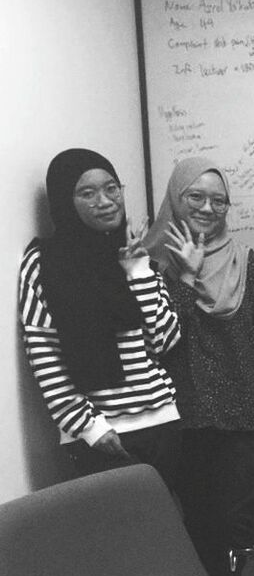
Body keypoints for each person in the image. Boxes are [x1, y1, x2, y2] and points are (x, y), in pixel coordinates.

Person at [149, 158, 254, 576]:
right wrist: (187, 277)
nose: (208, 208)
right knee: (196, 528)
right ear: (176, 198)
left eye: (219, 200)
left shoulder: (246, 262)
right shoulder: (147, 266)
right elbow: (157, 339)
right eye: (196, 197)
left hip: (244, 415)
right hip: (181, 420)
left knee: (237, 527)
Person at [19, 148, 182, 489]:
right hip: (100, 433)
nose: (106, 201)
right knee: (119, 538)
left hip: (163, 421)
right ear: (65, 201)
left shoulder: (136, 255)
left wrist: (138, 271)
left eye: (112, 188)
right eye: (87, 193)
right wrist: (89, 427)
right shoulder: (44, 263)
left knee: (168, 534)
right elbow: (44, 353)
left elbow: (164, 341)